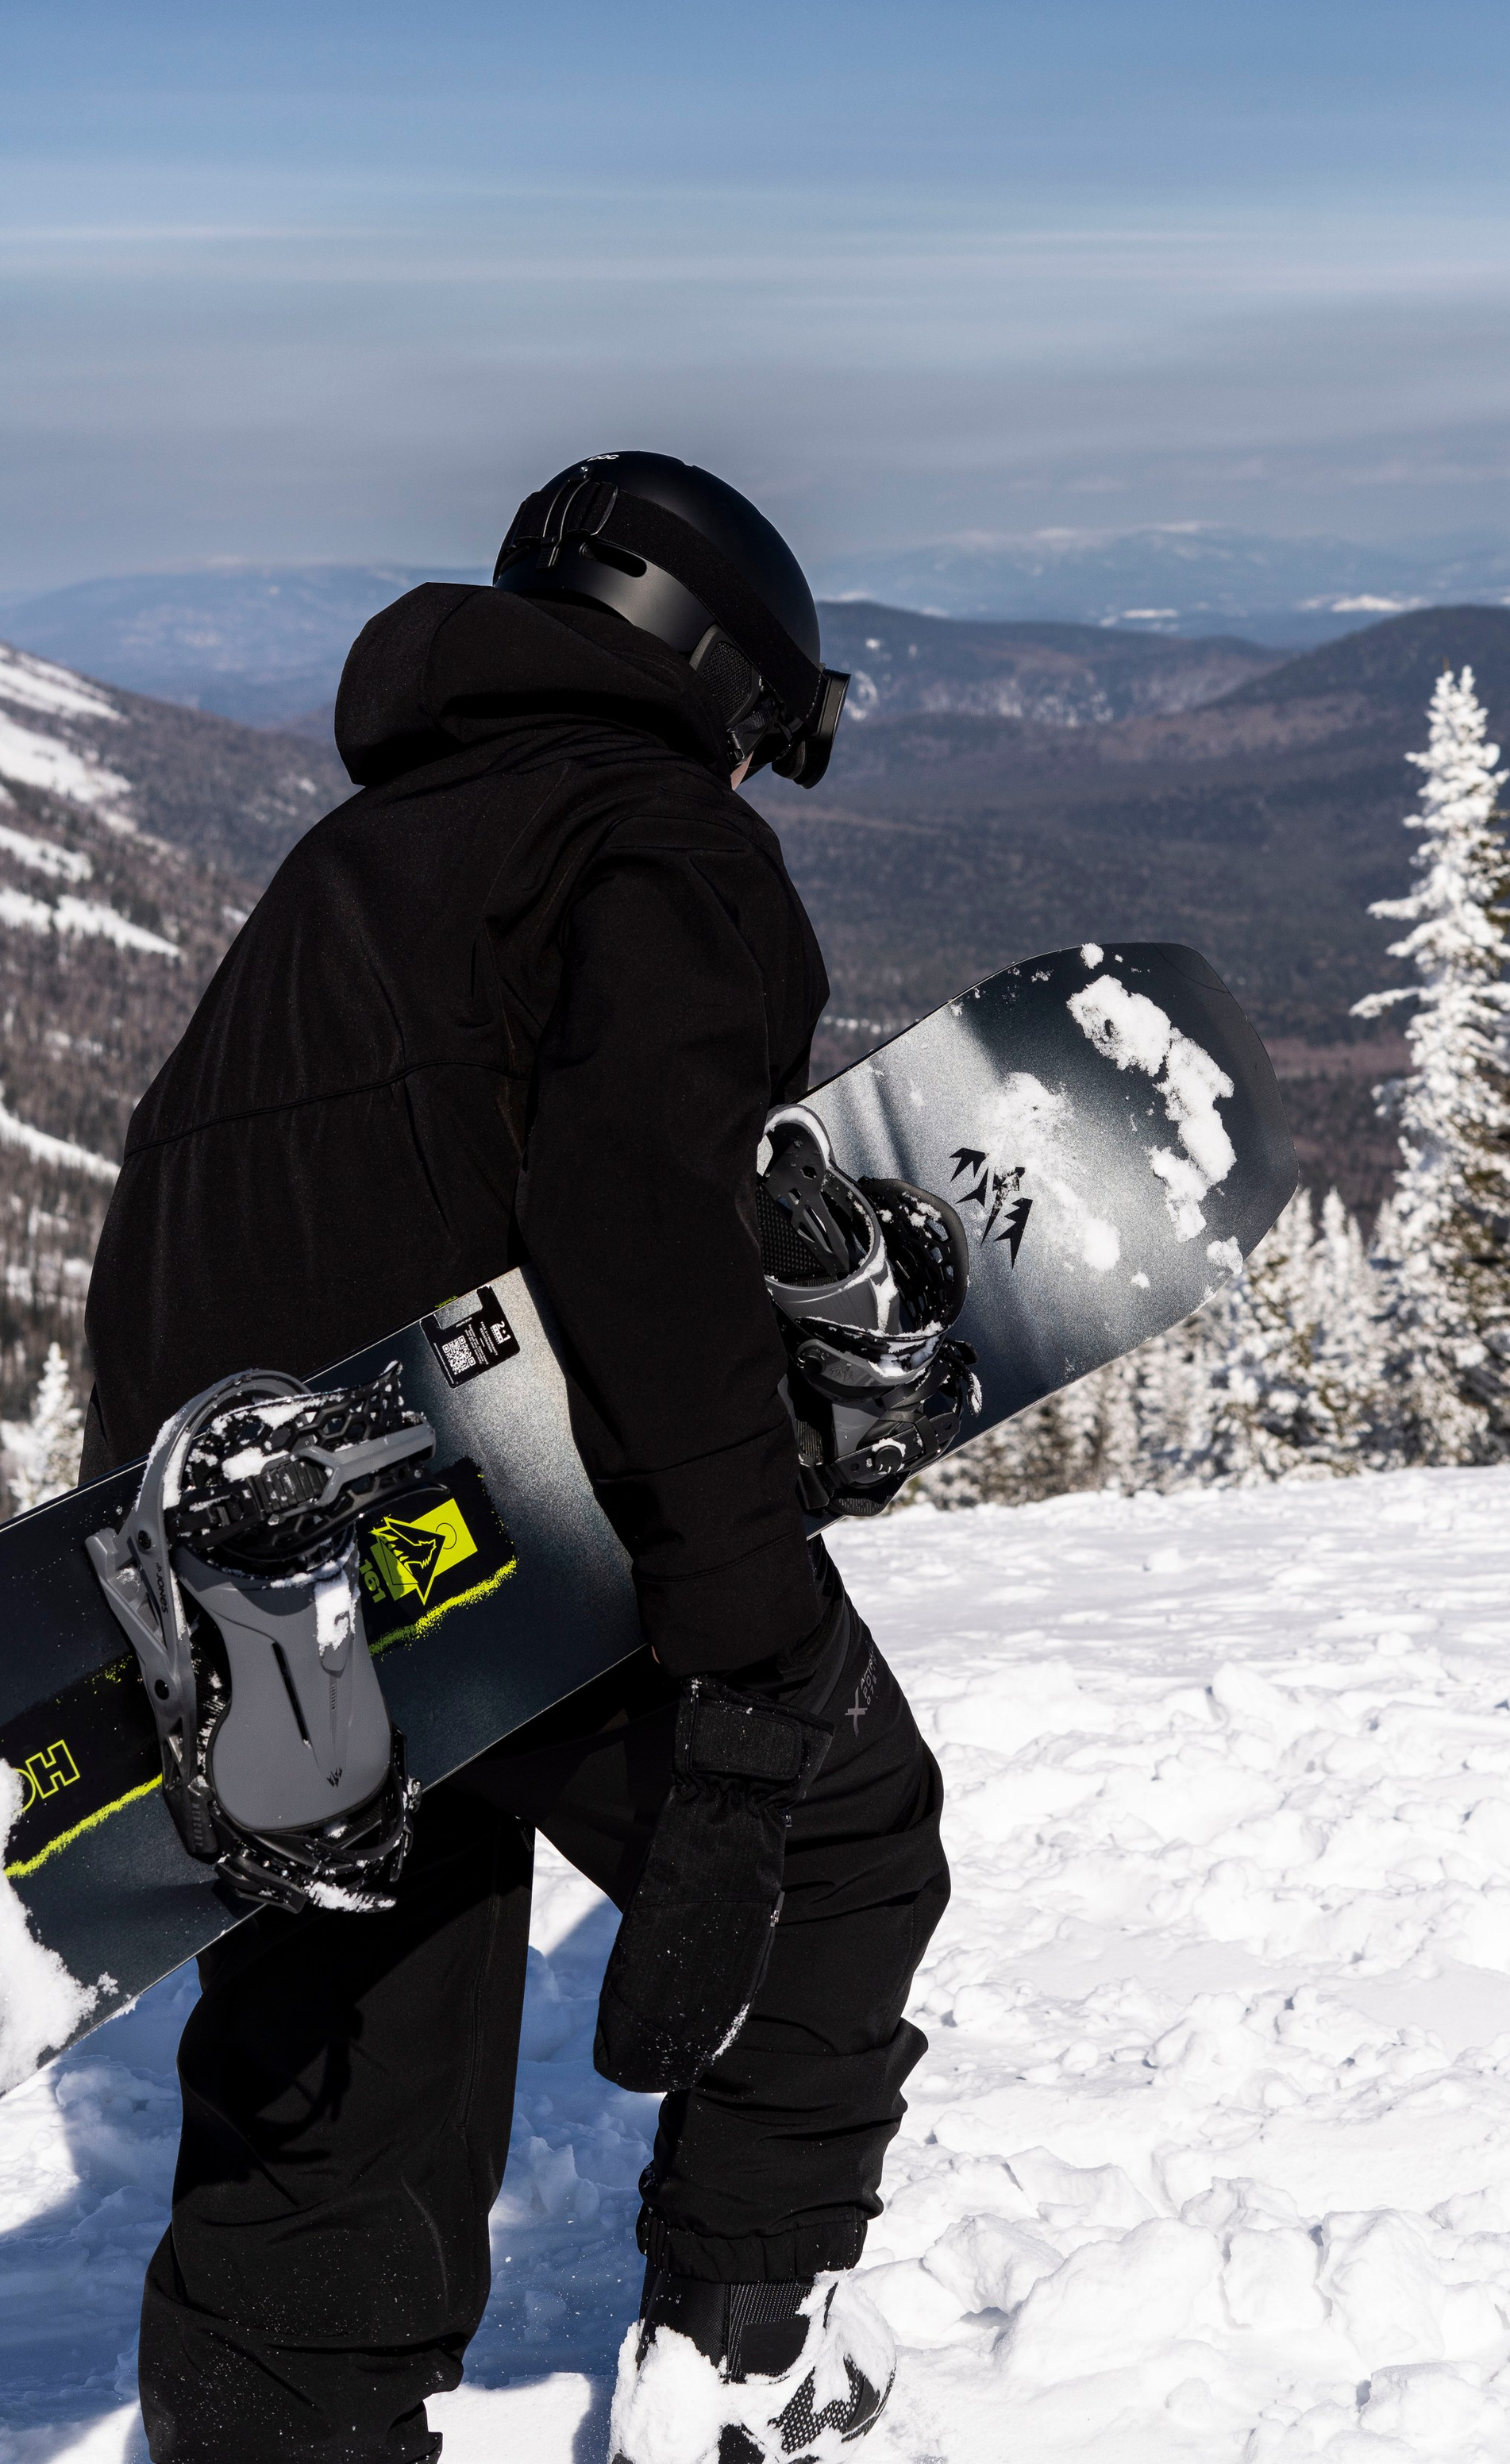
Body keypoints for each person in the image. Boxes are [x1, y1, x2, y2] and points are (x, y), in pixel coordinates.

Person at [82, 453, 949, 2464]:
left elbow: (173, 1204)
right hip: (501, 1532)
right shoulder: (649, 838)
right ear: (726, 686)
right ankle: (738, 2367)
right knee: (834, 1830)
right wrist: (749, 1631)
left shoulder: (351, 860)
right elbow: (637, 1220)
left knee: (359, 2017)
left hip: (248, 1562)